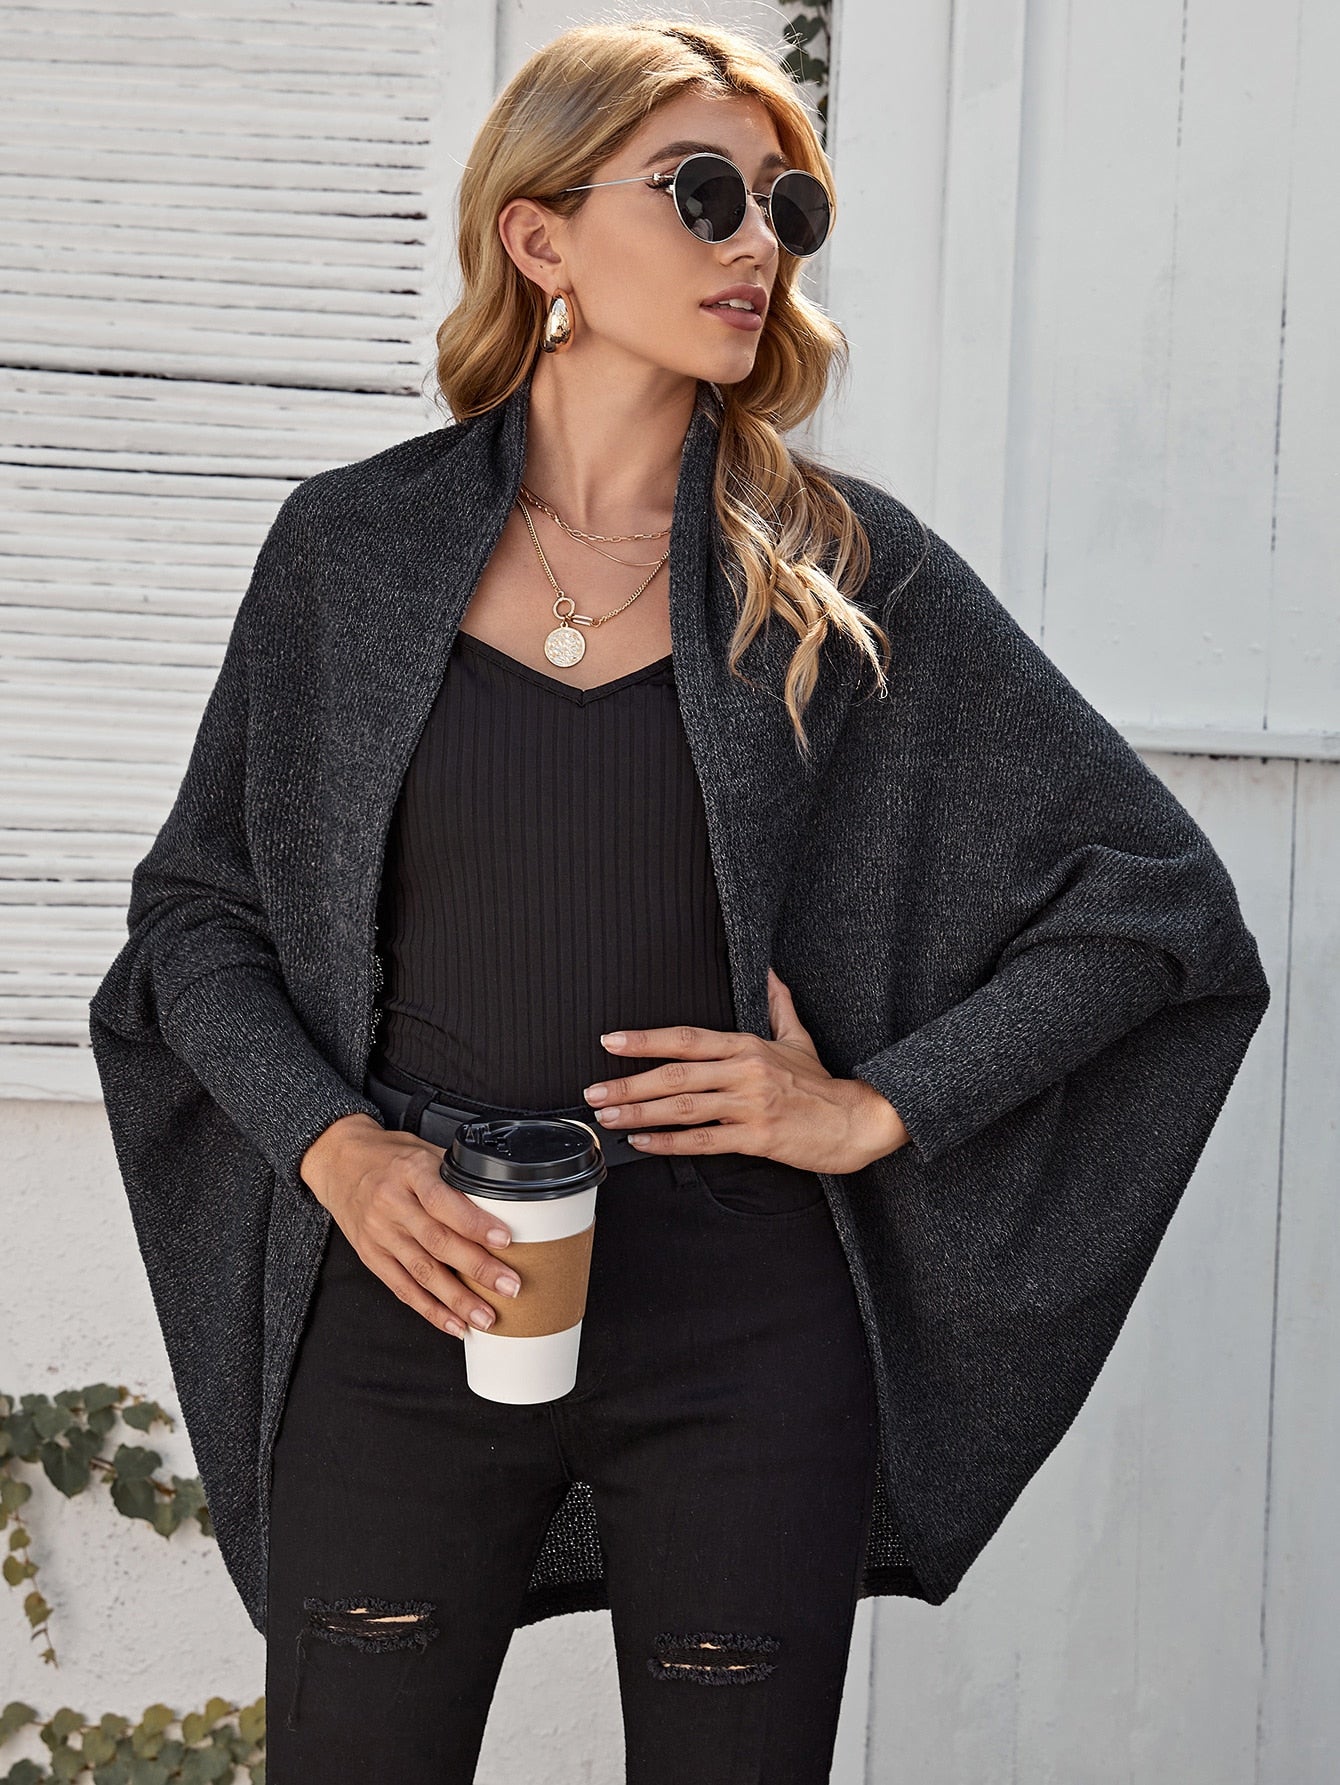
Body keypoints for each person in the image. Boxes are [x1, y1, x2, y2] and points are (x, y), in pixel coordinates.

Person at [87, 16, 1270, 1785]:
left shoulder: (844, 577)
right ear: (540, 236)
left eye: (787, 205)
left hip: (743, 1322)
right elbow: (196, 919)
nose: (756, 242)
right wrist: (335, 1151)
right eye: (702, 192)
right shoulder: (350, 550)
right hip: (413, 1285)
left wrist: (874, 1107)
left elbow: (1158, 906)